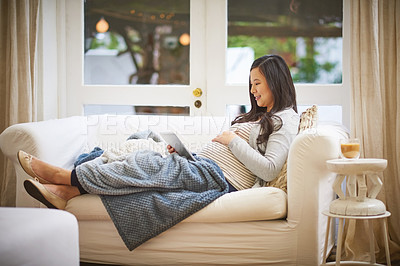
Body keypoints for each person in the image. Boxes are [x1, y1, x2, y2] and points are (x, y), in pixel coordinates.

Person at [19, 54, 299, 210]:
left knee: (145, 162)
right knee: (143, 141)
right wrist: (188, 155)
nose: (252, 91)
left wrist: (231, 141)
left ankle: (63, 176)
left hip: (220, 179)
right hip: (202, 166)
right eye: (250, 84)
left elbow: (270, 170)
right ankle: (69, 193)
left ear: (275, 80)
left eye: (257, 83)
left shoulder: (285, 120)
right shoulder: (262, 116)